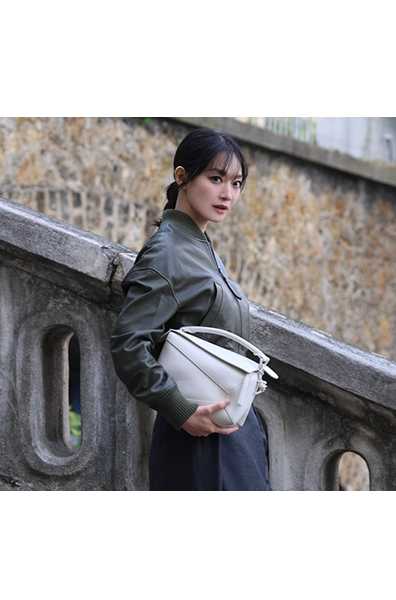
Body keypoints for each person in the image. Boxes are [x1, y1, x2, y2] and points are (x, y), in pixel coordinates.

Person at [110, 128, 271, 491]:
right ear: (182, 176)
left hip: (231, 435)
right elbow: (128, 343)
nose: (228, 194)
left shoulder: (198, 244)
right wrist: (181, 411)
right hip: (197, 438)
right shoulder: (167, 251)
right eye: (216, 179)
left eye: (236, 184)